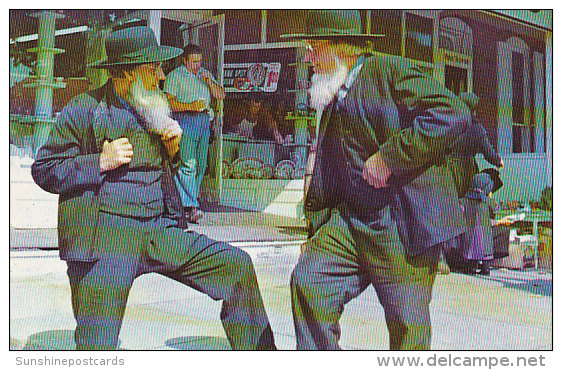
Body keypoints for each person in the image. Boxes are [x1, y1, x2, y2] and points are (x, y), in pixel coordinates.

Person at [31, 26, 275, 351]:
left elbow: (162, 171)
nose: (162, 76)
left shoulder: (154, 108)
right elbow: (44, 170)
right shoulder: (84, 109)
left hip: (158, 230)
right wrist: (98, 162)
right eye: (154, 68)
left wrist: (173, 152)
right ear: (129, 71)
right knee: (96, 345)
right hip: (106, 239)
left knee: (236, 267)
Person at [281, 10, 471, 350]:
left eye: (314, 46)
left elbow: (451, 112)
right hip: (352, 222)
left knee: (406, 325)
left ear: (346, 49)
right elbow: (330, 172)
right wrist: (316, 230)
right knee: (309, 282)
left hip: (402, 223)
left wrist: (390, 157)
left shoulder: (391, 70)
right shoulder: (332, 91)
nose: (306, 56)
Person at [164, 44, 225, 223]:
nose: (197, 65)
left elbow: (221, 95)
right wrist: (190, 106)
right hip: (186, 119)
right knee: (188, 164)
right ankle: (189, 206)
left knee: (201, 165)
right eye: (193, 62)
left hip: (204, 120)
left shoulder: (204, 74)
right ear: (184, 60)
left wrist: (210, 82)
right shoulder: (175, 76)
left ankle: (191, 201)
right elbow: (168, 102)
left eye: (199, 61)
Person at [455, 170, 513, 275]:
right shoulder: (488, 202)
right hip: (485, 234)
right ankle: (486, 268)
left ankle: (471, 268)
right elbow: (497, 208)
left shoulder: (463, 202)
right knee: (486, 248)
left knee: (471, 249)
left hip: (470, 234)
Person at [447, 92, 503, 198]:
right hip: (466, 170)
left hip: (447, 168)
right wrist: (498, 161)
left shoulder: (449, 123)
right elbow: (488, 153)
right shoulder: (476, 128)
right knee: (467, 200)